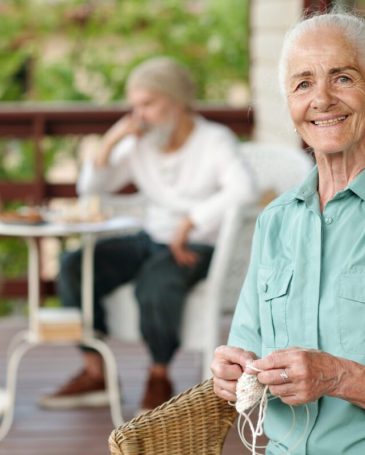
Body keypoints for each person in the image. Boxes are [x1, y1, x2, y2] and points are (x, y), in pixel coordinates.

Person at [39, 56, 256, 412]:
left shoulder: (214, 140)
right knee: (76, 265)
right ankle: (96, 372)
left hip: (198, 243)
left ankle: (159, 375)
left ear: (177, 102)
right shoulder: (142, 140)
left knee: (155, 283)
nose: (139, 115)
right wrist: (111, 140)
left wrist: (191, 220)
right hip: (150, 237)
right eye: (134, 106)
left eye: (148, 104)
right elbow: (90, 189)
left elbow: (245, 189)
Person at [211, 9, 365, 455]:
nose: (321, 99)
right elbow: (247, 348)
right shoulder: (275, 221)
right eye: (303, 84)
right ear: (288, 104)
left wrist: (337, 375)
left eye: (343, 78)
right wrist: (230, 371)